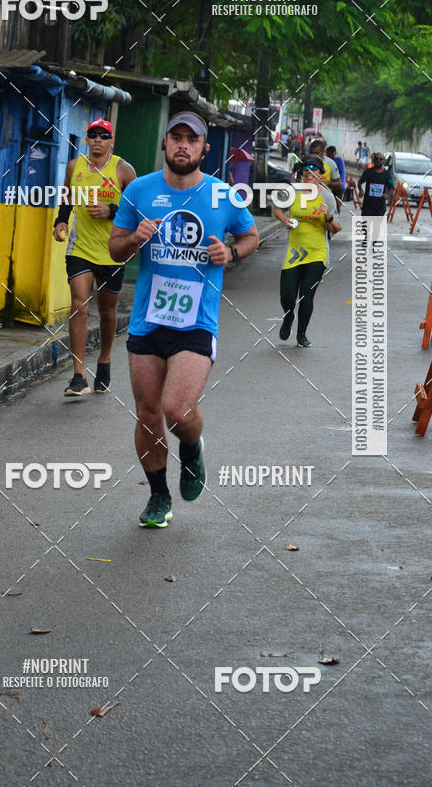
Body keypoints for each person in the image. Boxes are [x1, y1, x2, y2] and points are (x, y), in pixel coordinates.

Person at [108, 111, 259, 528]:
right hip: (147, 321)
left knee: (177, 410)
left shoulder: (224, 196)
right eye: (176, 137)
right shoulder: (139, 190)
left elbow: (251, 236)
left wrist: (232, 253)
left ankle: (191, 449)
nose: (182, 145)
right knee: (147, 413)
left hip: (196, 322)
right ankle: (159, 497)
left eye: (191, 140)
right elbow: (114, 248)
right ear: (165, 143)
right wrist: (133, 239)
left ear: (204, 149)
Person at [53, 118, 136, 396]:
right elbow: (67, 197)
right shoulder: (74, 167)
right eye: (93, 135)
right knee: (79, 305)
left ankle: (104, 360)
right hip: (80, 248)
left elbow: (136, 210)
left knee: (107, 311)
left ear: (112, 141)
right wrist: (61, 222)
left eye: (104, 135)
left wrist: (110, 211)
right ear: (86, 140)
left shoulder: (124, 170)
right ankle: (78, 375)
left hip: (113, 250)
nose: (98, 139)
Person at [272, 155, 341, 348]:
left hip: (317, 251)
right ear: (302, 173)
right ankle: (289, 316)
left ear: (321, 173)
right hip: (294, 251)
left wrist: (328, 216)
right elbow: (276, 209)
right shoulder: (293, 191)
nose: (309, 172)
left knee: (306, 294)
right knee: (286, 295)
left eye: (314, 169)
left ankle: (301, 335)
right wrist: (285, 220)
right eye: (306, 169)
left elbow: (336, 228)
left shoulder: (327, 196)